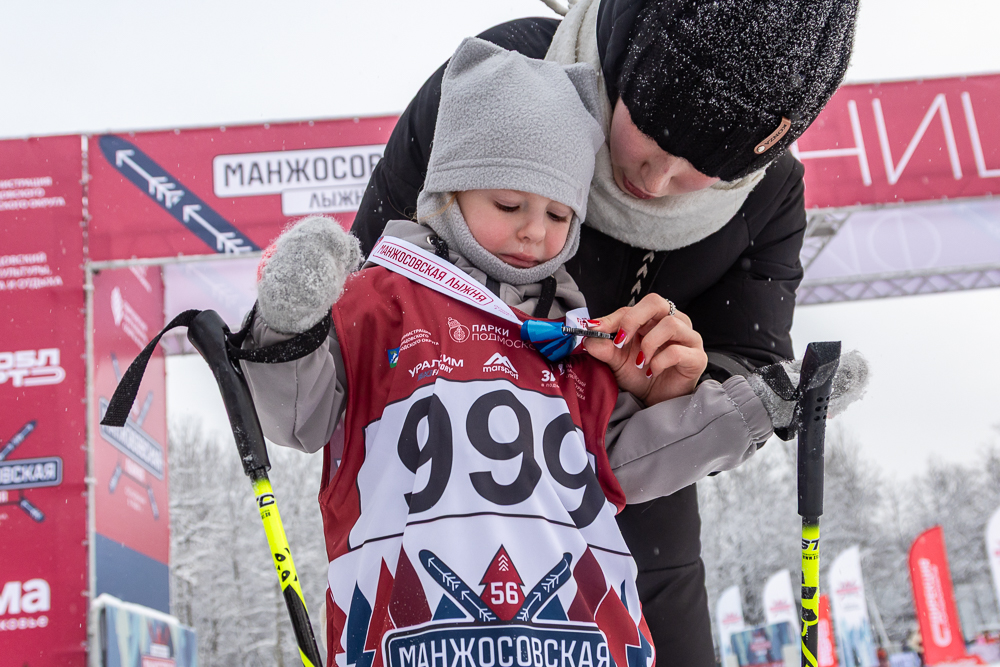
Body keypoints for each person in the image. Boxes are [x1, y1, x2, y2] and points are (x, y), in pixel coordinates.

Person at [350, 1, 860, 663]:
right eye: (650, 129)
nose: (657, 178)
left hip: (641, 529)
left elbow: (751, 359)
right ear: (621, 53)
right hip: (453, 504)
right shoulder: (501, 77)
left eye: (701, 165)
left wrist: (678, 388)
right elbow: (375, 283)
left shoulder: (770, 195)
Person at [243, 38, 779, 667]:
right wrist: (288, 323)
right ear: (448, 193)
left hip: (569, 637)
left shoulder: (570, 336)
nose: (534, 230)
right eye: (508, 204)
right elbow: (298, 416)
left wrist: (757, 405)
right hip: (413, 634)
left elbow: (628, 459)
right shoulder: (380, 302)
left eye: (558, 213)